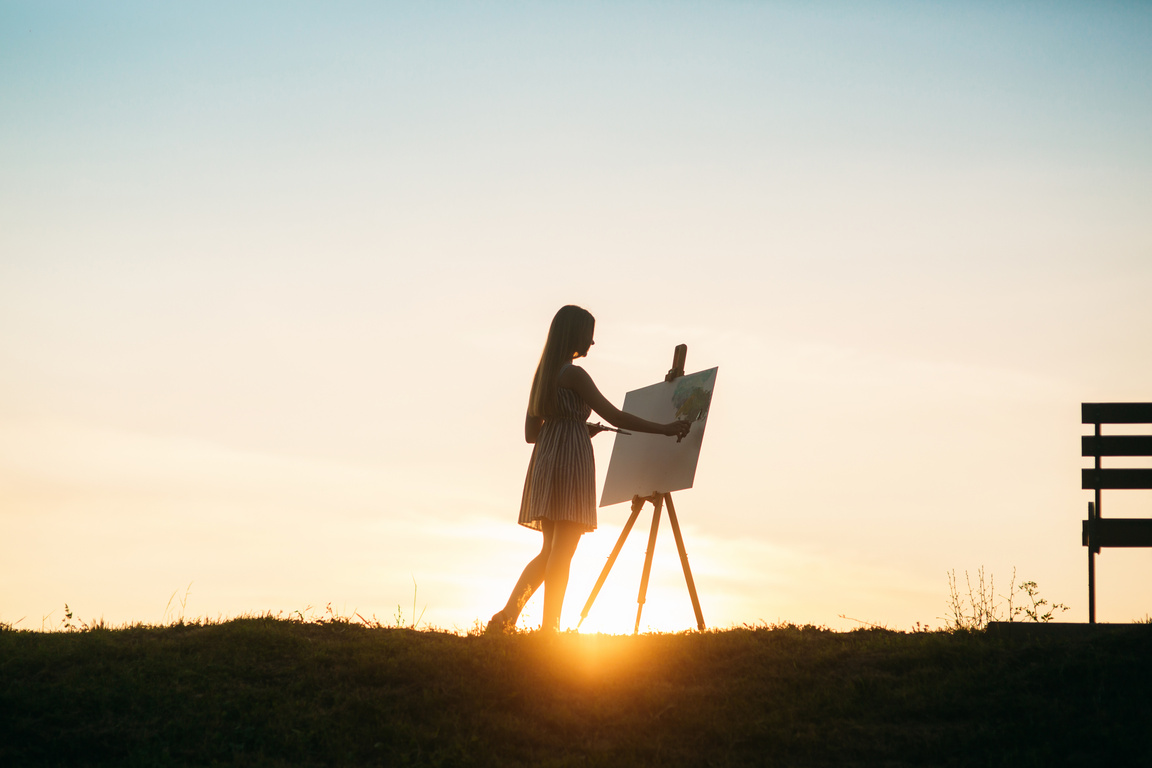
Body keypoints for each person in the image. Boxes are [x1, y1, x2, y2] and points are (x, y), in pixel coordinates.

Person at [486, 305, 691, 634]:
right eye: (589, 333)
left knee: (549, 551)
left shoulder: (544, 375)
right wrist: (665, 429)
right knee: (563, 552)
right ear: (574, 334)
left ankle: (506, 618)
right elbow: (616, 416)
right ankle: (548, 629)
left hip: (547, 459)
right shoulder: (573, 374)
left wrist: (574, 426)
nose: (593, 342)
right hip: (569, 462)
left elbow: (531, 435)